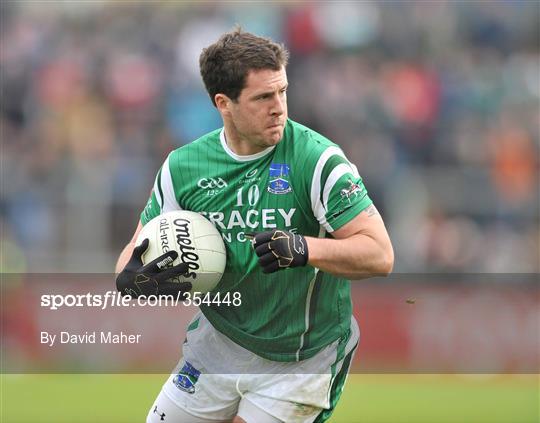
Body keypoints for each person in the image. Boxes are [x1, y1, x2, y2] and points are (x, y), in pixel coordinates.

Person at [115, 28, 393, 423]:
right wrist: (129, 278)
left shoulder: (317, 161)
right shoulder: (183, 168)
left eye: (282, 91)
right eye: (264, 97)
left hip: (300, 355)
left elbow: (380, 254)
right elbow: (135, 250)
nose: (279, 107)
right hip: (218, 342)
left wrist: (303, 249)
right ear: (223, 103)